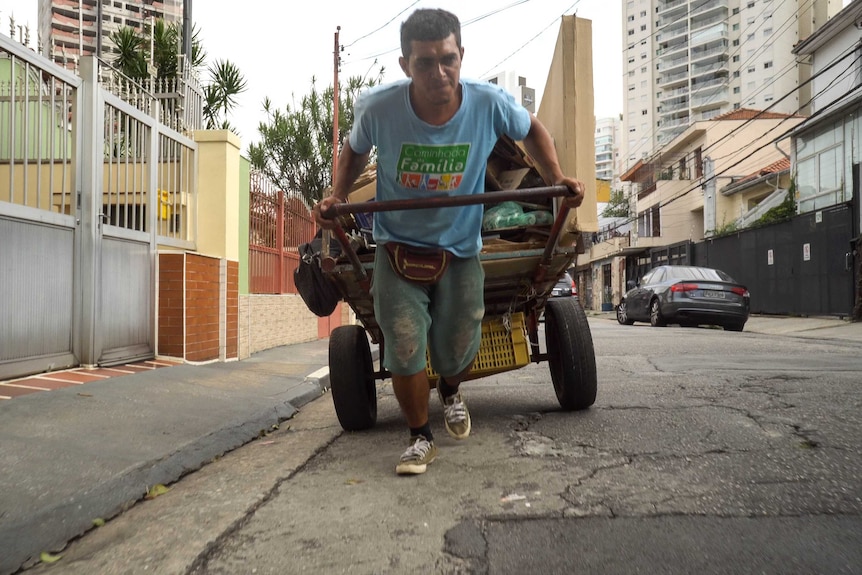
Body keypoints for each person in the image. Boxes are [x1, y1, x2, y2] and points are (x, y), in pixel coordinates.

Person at [313, 8, 585, 475]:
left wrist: (557, 177)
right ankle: (420, 436)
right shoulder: (379, 108)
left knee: (457, 348)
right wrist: (338, 194)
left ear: (461, 56)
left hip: (461, 249)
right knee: (401, 346)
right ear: (405, 65)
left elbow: (532, 131)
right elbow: (355, 149)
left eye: (447, 59)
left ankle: (451, 389)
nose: (438, 72)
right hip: (397, 250)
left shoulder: (488, 102)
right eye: (424, 63)